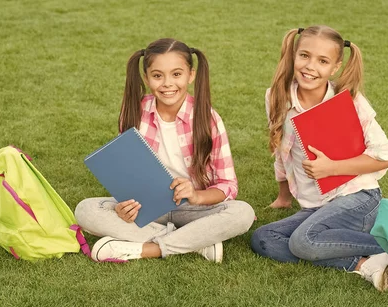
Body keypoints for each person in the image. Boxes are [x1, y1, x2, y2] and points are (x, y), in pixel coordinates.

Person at [76, 38, 255, 263]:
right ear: (146, 78)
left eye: (176, 74)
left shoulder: (208, 118)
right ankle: (195, 244)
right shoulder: (134, 113)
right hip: (147, 207)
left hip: (193, 209)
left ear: (191, 75)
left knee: (243, 213)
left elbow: (228, 185)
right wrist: (124, 206)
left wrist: (196, 195)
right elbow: (127, 174)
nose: (167, 84)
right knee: (86, 210)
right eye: (158, 76)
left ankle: (149, 248)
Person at [250, 26, 388, 291]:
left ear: (336, 67)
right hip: (316, 205)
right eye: (304, 56)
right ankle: (365, 263)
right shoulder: (276, 96)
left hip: (357, 196)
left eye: (323, 61)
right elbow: (280, 150)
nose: (310, 67)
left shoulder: (349, 100)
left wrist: (332, 168)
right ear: (294, 55)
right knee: (264, 238)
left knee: (302, 241)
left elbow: (386, 157)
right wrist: (284, 197)